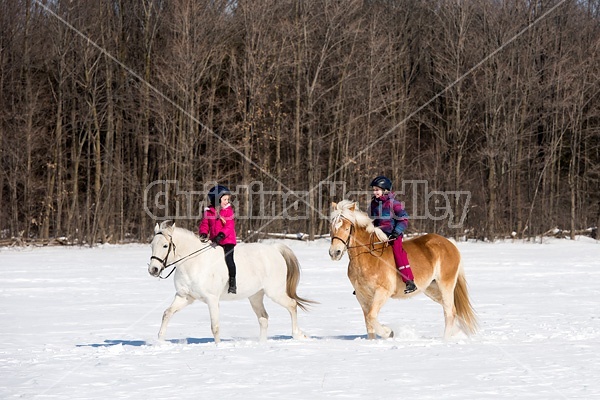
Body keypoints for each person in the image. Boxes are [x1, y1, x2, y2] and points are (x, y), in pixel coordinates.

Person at [368, 176, 417, 294]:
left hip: (393, 234)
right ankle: (365, 281)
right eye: (374, 190)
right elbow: (371, 218)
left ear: (385, 190)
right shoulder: (374, 204)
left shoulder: (394, 204)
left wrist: (396, 232)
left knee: (397, 252)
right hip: (378, 235)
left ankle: (409, 281)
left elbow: (404, 219)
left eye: (377, 190)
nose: (375, 192)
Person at [198, 185, 238, 294]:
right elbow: (204, 224)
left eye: (227, 199)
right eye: (225, 199)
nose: (227, 201)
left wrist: (221, 235)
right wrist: (203, 233)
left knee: (229, 260)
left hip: (227, 240)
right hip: (214, 241)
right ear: (217, 199)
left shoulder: (228, 211)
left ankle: (232, 282)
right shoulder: (208, 212)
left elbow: (229, 226)